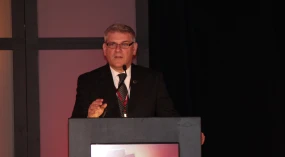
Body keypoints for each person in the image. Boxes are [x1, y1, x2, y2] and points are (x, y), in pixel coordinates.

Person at [71, 23, 205, 144]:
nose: (118, 50)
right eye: (112, 44)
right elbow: (76, 125)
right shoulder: (88, 81)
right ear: (105, 49)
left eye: (124, 44)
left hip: (146, 156)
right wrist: (89, 117)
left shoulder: (152, 79)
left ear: (134, 49)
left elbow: (169, 116)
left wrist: (190, 133)